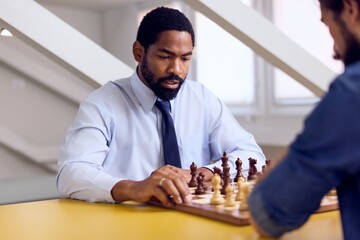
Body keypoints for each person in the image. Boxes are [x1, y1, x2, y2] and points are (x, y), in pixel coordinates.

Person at [57, 6, 265, 207]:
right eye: (165, 57)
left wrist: (198, 173)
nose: (176, 69)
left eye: (185, 59)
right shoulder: (101, 103)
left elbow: (251, 154)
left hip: (192, 219)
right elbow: (71, 174)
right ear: (139, 52)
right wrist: (134, 188)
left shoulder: (202, 98)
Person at [249, 0, 360, 239]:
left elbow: (267, 214)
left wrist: (314, 134)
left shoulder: (351, 92)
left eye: (328, 25)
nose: (335, 50)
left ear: (350, 9)